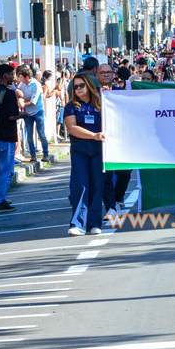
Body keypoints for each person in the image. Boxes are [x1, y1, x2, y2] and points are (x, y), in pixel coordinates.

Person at [64, 73, 106, 235]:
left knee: (97, 186)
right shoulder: (71, 106)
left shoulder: (102, 103)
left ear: (89, 85)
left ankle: (94, 223)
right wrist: (93, 135)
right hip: (79, 149)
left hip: (99, 150)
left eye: (81, 85)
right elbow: (72, 128)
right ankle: (77, 223)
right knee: (80, 185)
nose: (78, 89)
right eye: (75, 87)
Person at [0, 64, 26, 213]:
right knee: (6, 170)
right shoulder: (9, 94)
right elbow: (12, 116)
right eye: (12, 74)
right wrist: (22, 115)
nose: (14, 77)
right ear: (6, 76)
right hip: (7, 136)